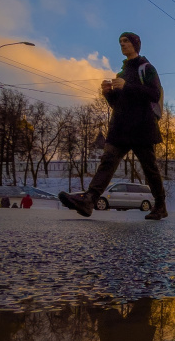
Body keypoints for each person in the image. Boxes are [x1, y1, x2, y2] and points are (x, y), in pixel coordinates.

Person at [58, 32, 167, 220]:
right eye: (120, 42)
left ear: (135, 44)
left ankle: (160, 205)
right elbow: (119, 104)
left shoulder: (146, 68)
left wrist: (127, 86)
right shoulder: (121, 74)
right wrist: (108, 94)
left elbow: (154, 94)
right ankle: (89, 200)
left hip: (142, 127)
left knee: (149, 168)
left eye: (126, 41)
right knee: (107, 161)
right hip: (121, 128)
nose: (122, 44)